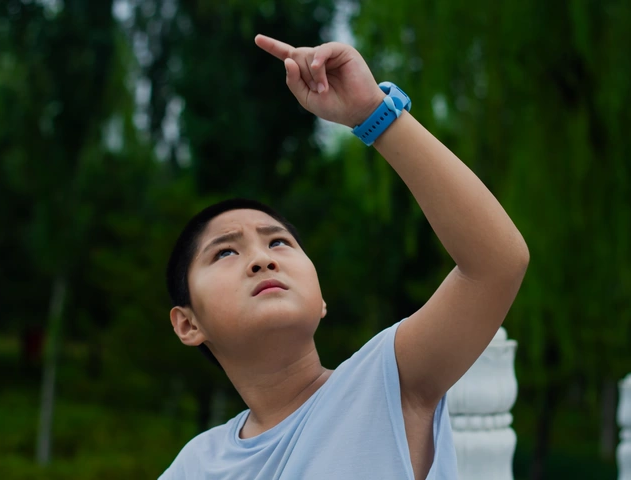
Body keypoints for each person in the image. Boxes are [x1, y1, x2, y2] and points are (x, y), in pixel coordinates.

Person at [159, 34, 529, 480]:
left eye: (279, 243)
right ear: (188, 323)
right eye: (225, 251)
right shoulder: (198, 464)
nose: (261, 260)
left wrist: (373, 114)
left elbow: (496, 264)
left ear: (321, 300)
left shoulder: (386, 383)